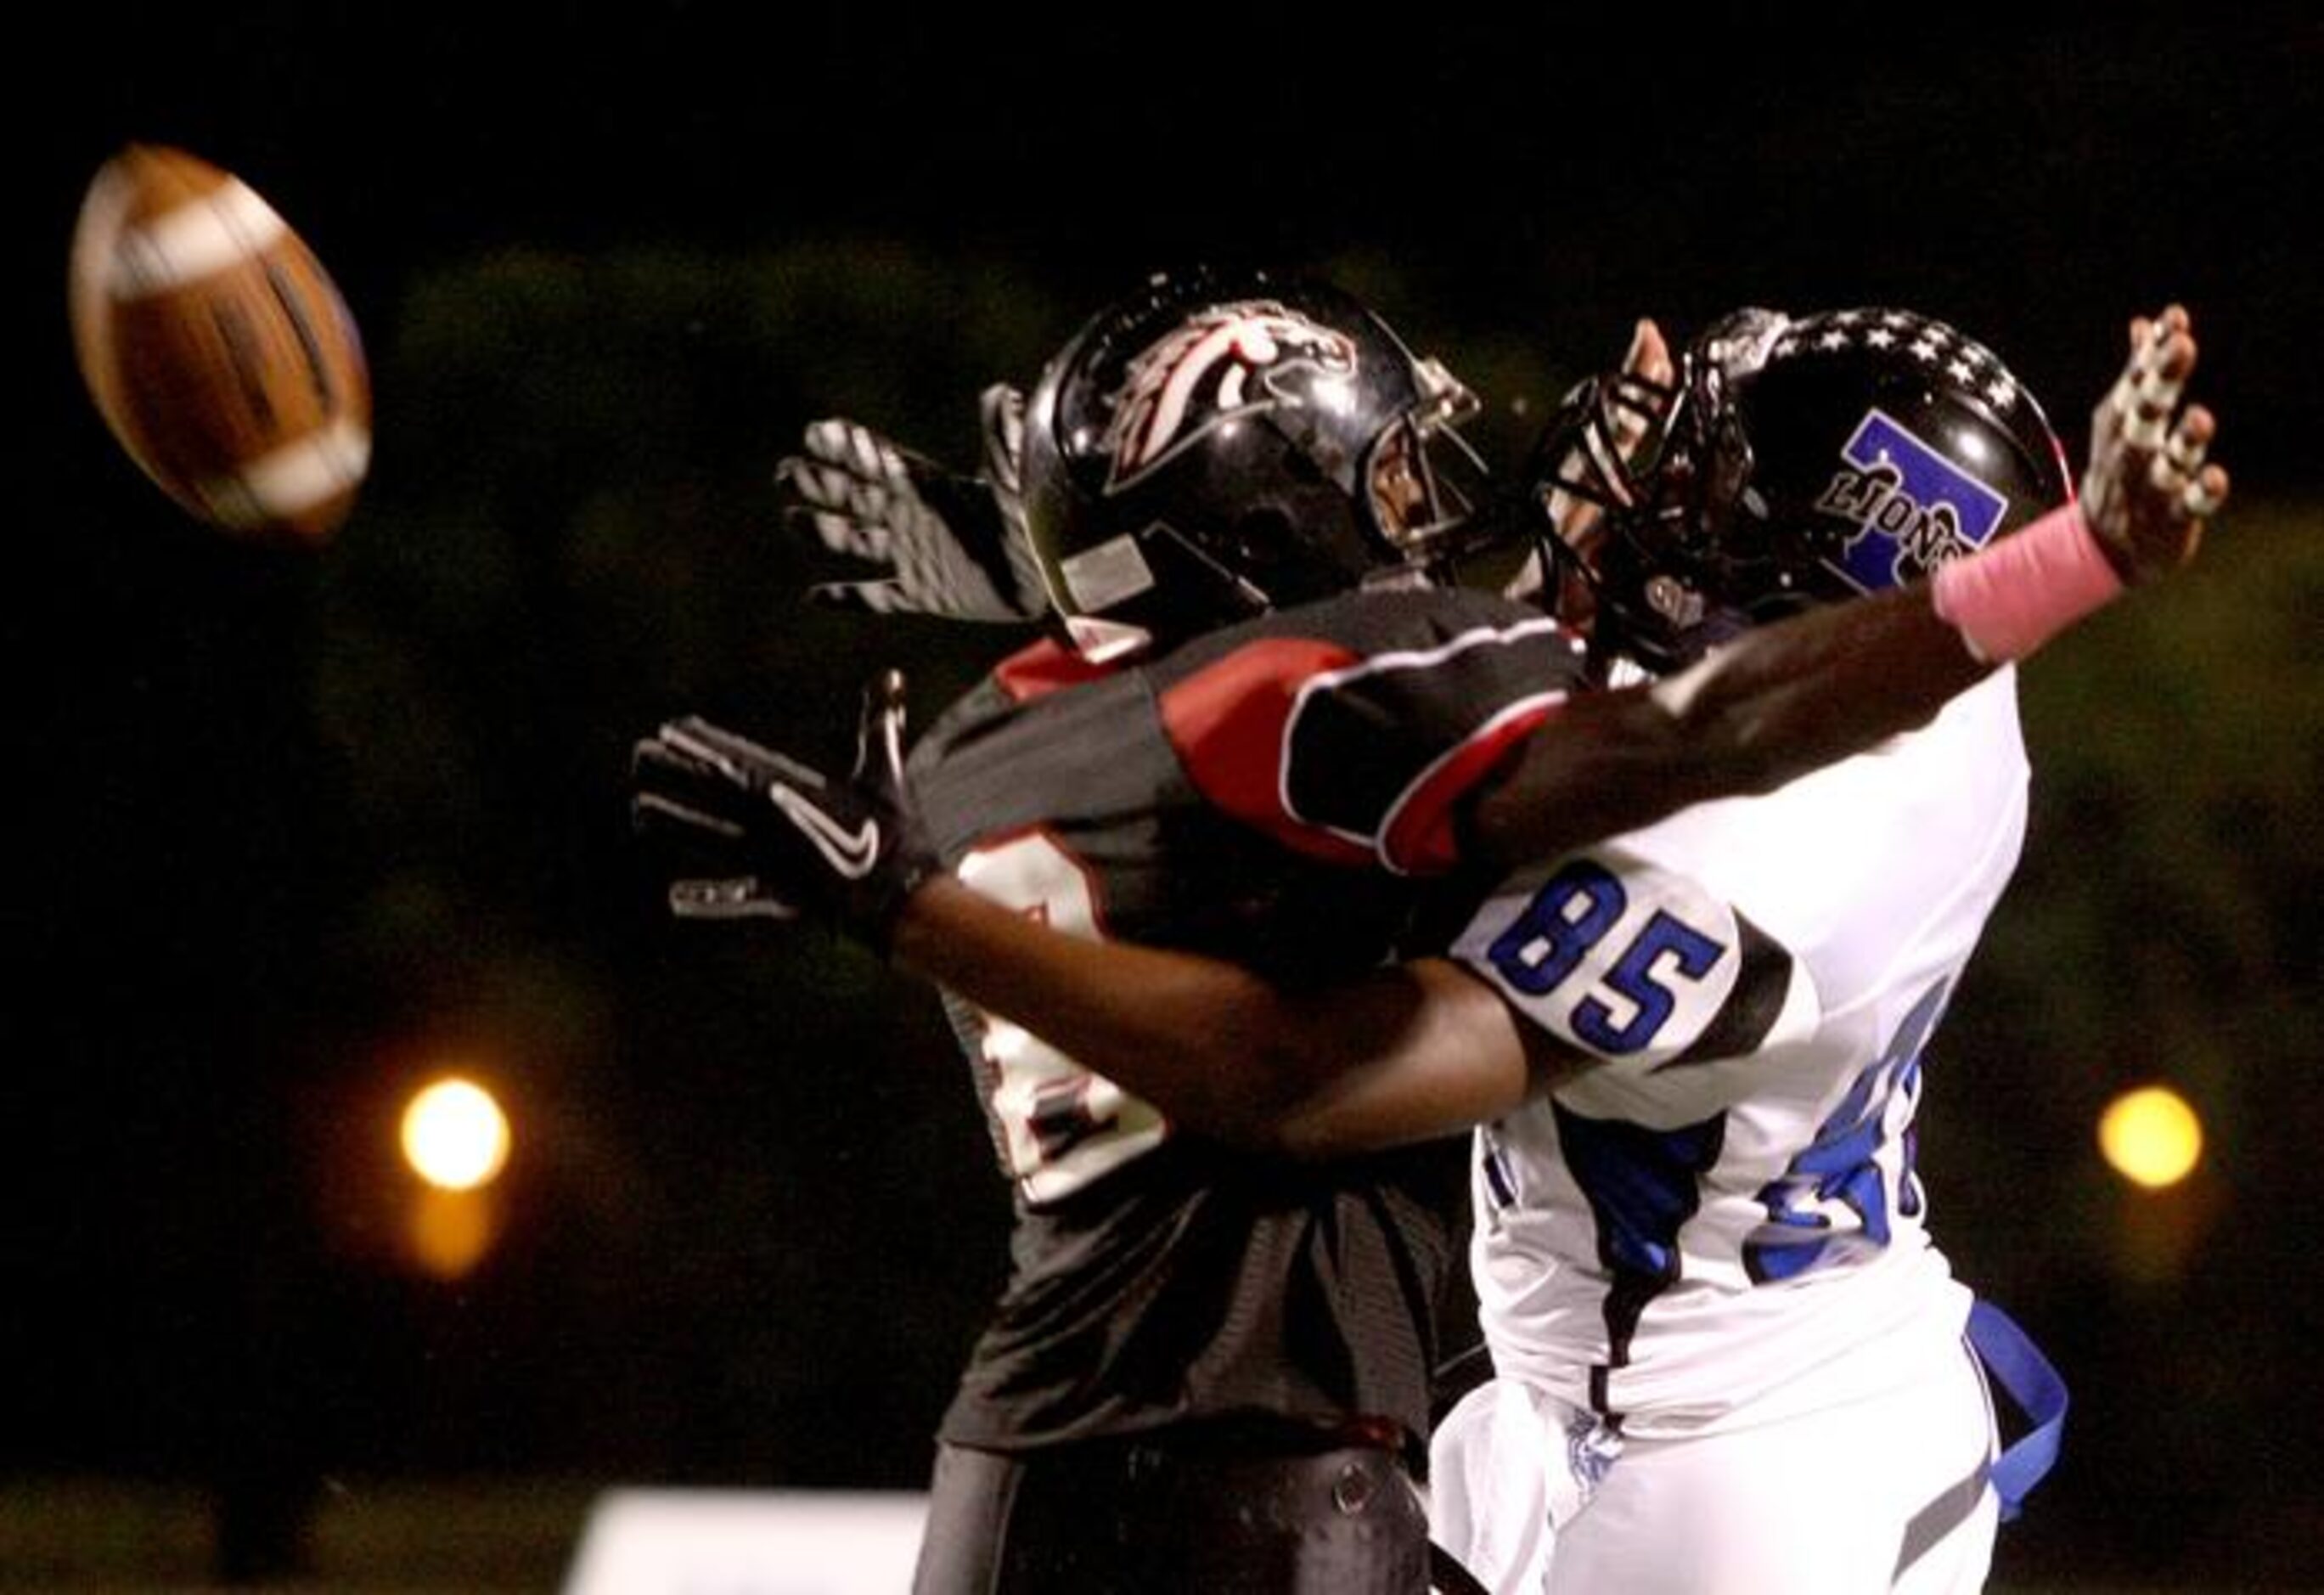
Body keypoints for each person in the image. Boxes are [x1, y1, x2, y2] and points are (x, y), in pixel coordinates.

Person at [632, 278, 2221, 1592]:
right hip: (1549, 1401)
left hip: (1747, 1449)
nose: (1647, 500)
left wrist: (915, 906)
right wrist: (1096, 566)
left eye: (1701, 497)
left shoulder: (1760, 840)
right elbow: (1430, 649)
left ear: (1799, 605)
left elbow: (1300, 1079)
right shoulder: (1906, 670)